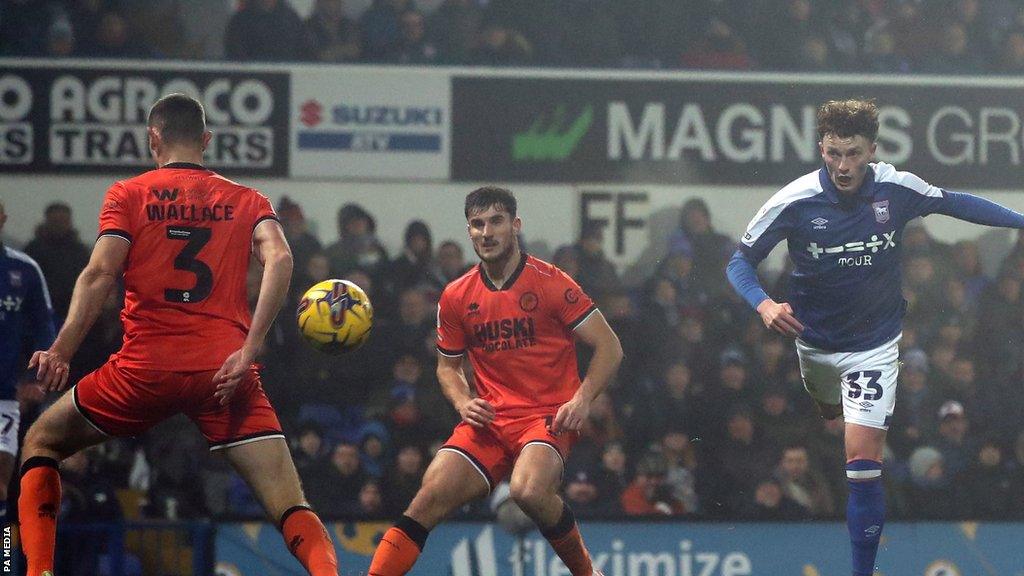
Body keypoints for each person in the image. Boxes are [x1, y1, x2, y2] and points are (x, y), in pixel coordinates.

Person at [17, 93, 338, 576]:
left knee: (41, 441)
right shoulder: (248, 199)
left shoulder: (128, 194)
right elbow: (283, 258)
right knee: (290, 504)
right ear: (206, 141)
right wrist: (250, 346)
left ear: (153, 139)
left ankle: (34, 570)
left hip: (143, 370)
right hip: (224, 372)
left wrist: (63, 349)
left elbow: (99, 275)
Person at [726, 98, 1024, 576]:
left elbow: (956, 203)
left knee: (862, 463)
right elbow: (740, 261)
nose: (843, 166)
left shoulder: (896, 188)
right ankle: (830, 403)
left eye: (853, 154)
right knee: (828, 409)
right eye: (833, 153)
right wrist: (764, 304)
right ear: (820, 147)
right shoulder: (794, 200)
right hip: (815, 343)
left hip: (874, 344)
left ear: (872, 150)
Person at [368, 187, 622, 576]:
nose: (487, 232)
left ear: (515, 226)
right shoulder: (455, 295)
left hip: (547, 417)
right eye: (477, 224)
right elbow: (447, 367)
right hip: (489, 419)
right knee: (428, 495)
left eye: (496, 221)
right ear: (469, 232)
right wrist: (461, 401)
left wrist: (583, 399)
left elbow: (609, 347)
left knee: (527, 490)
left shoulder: (551, 282)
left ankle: (588, 573)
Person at [0, 199, 57, 524]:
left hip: (6, 395)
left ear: (3, 219)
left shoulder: (24, 270)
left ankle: (5, 563)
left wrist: (36, 380)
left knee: (2, 483)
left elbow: (44, 327)